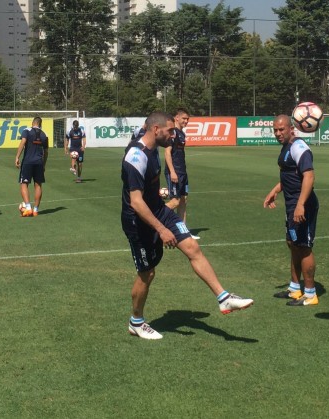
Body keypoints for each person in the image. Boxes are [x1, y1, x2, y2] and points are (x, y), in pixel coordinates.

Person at [121, 111, 253, 340]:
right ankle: (136, 322)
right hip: (137, 220)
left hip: (159, 211)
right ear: (156, 130)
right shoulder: (136, 156)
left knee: (192, 247)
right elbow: (135, 202)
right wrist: (161, 230)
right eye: (170, 131)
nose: (173, 135)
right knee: (147, 274)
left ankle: (224, 298)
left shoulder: (154, 150)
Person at [263, 114, 319, 306]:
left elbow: (309, 177)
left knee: (303, 246)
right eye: (275, 130)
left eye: (281, 129)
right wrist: (275, 190)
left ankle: (310, 294)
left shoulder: (299, 147)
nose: (278, 133)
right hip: (291, 203)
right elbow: (289, 174)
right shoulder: (287, 147)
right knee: (292, 243)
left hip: (303, 205)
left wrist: (301, 204)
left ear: (291, 128)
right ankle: (295, 289)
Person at [164, 108, 200, 239]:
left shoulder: (181, 134)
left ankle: (183, 232)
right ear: (176, 118)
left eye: (188, 119)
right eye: (184, 118)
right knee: (174, 202)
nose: (186, 121)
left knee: (184, 200)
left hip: (182, 172)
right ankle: (155, 223)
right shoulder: (172, 133)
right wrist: (172, 172)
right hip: (175, 173)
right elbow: (167, 153)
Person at [15, 116, 49, 217]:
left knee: (24, 183)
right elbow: (46, 152)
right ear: (40, 124)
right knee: (38, 185)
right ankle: (36, 210)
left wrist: (17, 157)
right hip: (39, 162)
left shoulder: (27, 130)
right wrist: (44, 164)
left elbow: (23, 142)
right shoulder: (44, 134)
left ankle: (28, 208)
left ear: (32, 122)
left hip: (28, 162)